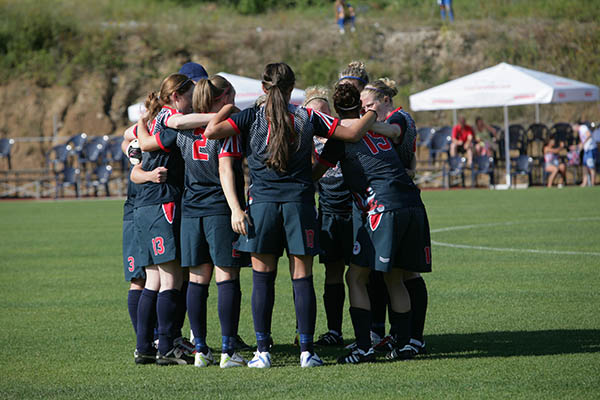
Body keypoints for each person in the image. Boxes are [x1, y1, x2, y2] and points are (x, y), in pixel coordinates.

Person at [204, 62, 388, 368]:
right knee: (302, 279)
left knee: (263, 280)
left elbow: (211, 131)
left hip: (261, 207)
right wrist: (371, 112)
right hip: (299, 206)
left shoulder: (250, 116)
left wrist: (229, 108)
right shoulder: (306, 115)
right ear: (293, 88)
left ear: (263, 89)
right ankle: (307, 352)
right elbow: (353, 134)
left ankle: (262, 352)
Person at [315, 83, 432, 364]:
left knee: (355, 276)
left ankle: (364, 347)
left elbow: (314, 173)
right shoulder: (378, 127)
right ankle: (406, 344)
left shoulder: (341, 137)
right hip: (413, 204)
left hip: (383, 208)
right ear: (361, 105)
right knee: (395, 277)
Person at [358, 79, 428, 356]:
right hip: (400, 196)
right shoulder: (389, 116)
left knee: (405, 273)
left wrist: (358, 124)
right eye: (363, 107)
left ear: (386, 100)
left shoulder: (399, 116)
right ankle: (401, 336)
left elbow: (394, 132)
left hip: (398, 200)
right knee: (394, 274)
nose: (367, 111)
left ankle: (414, 338)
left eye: (371, 105)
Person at [132, 73, 191, 365]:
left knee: (153, 278)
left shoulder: (155, 118)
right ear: (177, 96)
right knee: (172, 277)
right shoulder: (169, 119)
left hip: (145, 205)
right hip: (162, 203)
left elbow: (135, 144)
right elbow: (145, 145)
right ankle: (166, 347)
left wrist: (141, 126)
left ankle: (144, 347)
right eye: (190, 94)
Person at [303, 86, 351, 346]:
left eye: (324, 113)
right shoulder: (304, 139)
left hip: (355, 210)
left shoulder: (342, 135)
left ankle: (372, 331)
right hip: (329, 211)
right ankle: (335, 331)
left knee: (361, 273)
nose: (320, 119)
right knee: (333, 272)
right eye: (314, 115)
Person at [120, 134, 167, 364]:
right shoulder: (145, 132)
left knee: (160, 276)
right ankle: (145, 341)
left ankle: (155, 339)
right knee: (139, 278)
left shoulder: (157, 135)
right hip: (134, 213)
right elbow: (126, 137)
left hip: (150, 210)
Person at [574, 121, 597, 186]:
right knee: (584, 166)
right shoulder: (580, 131)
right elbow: (583, 141)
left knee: (591, 166)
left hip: (590, 149)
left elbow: (588, 134)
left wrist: (583, 143)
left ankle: (592, 183)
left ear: (576, 125)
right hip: (586, 150)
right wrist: (578, 147)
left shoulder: (583, 128)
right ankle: (584, 182)